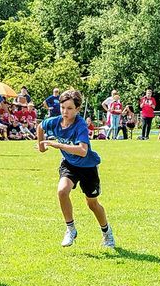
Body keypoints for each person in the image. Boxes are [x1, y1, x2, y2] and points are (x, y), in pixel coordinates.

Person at [36, 89, 115, 249]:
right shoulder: (55, 122)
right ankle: (70, 229)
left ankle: (107, 233)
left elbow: (82, 150)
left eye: (70, 108)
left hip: (87, 167)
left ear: (77, 109)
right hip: (69, 164)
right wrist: (41, 146)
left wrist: (58, 145)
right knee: (62, 191)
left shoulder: (80, 125)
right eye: (63, 107)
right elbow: (40, 126)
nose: (65, 112)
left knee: (92, 204)